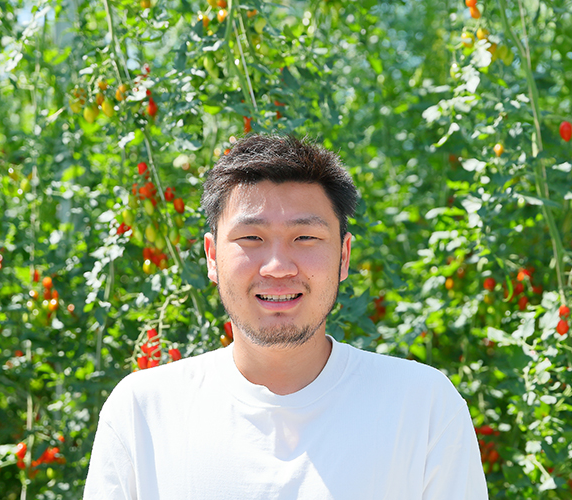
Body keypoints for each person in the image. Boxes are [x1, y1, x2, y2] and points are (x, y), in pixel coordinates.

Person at [83, 135, 488, 499]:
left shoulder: (421, 407)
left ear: (343, 256)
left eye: (305, 237)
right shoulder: (143, 412)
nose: (277, 266)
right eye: (251, 238)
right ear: (211, 256)